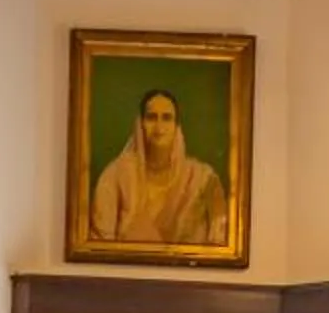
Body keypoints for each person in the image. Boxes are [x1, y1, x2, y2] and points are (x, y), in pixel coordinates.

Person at [90, 88, 228, 249]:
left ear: (177, 126)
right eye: (151, 117)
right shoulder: (114, 177)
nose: (159, 127)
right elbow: (100, 244)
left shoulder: (204, 178)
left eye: (167, 118)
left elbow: (219, 242)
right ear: (140, 123)